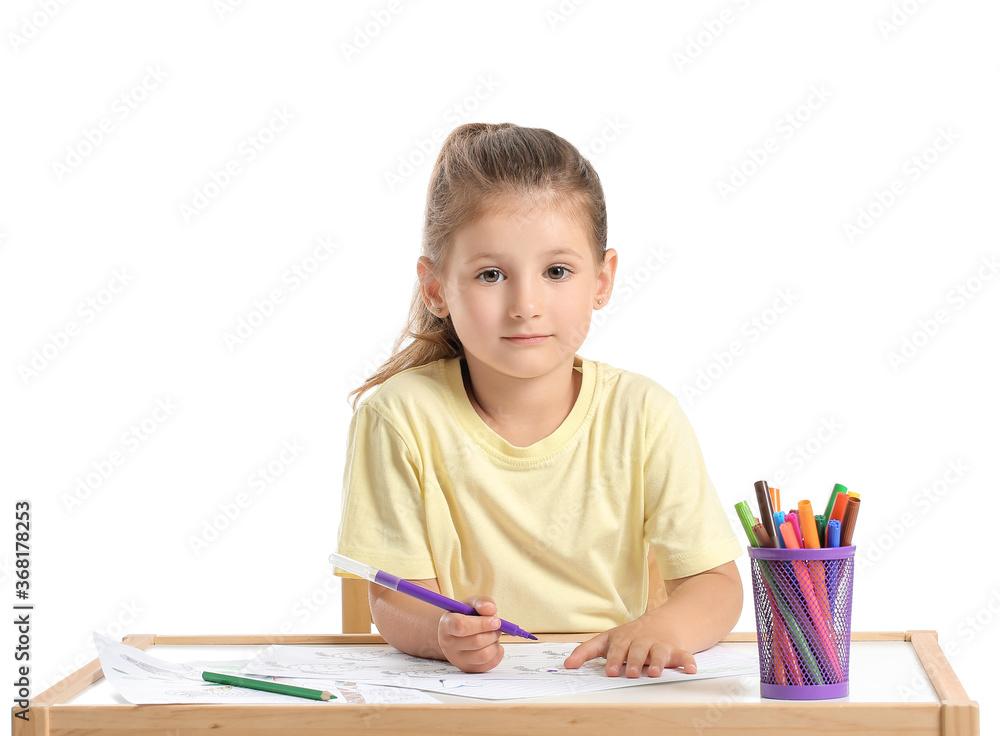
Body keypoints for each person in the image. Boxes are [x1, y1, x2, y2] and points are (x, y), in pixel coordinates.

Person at [335, 122, 742, 678]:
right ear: (436, 290)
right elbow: (391, 599)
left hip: (611, 695)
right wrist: (440, 634)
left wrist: (663, 630)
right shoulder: (400, 417)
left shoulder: (644, 413)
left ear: (602, 279)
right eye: (491, 274)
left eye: (556, 271)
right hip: (463, 703)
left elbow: (714, 585)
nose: (525, 304)